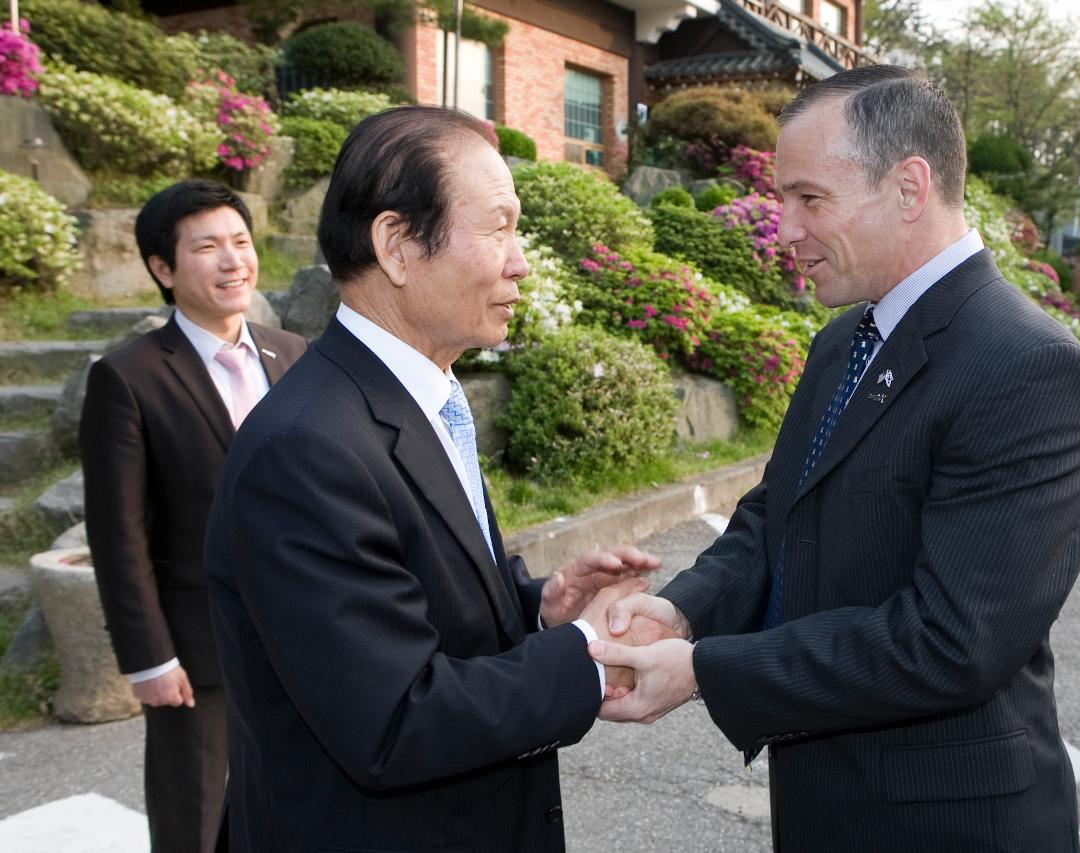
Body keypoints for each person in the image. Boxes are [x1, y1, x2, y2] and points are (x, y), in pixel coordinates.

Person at [593, 66, 1080, 851]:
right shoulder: (844, 341)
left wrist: (706, 667)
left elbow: (952, 641)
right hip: (828, 806)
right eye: (782, 198)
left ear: (908, 188)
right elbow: (775, 516)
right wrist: (683, 608)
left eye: (809, 198)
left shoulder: (1026, 366)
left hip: (952, 825)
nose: (785, 227)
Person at [203, 105, 666, 853]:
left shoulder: (418, 396)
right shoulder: (307, 448)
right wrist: (581, 650)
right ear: (396, 245)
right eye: (500, 227)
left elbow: (416, 594)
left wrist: (537, 607)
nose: (520, 261)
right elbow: (393, 718)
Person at [80, 180, 307, 853]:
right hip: (196, 643)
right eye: (206, 246)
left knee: (296, 795)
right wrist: (149, 655)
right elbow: (119, 533)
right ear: (163, 267)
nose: (233, 260)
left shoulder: (291, 352)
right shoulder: (129, 377)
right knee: (195, 812)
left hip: (300, 627)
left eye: (240, 241)